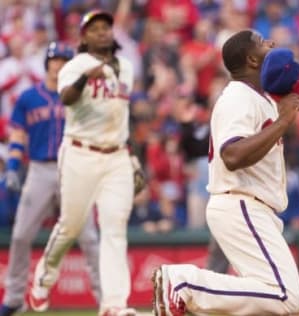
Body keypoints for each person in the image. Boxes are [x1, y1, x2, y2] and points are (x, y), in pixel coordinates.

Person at [151, 32, 299, 316]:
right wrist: (283, 119)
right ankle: (184, 282)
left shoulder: (260, 98)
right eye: (262, 42)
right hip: (241, 204)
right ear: (250, 59)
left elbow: (282, 132)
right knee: (286, 296)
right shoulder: (238, 96)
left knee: (268, 294)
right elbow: (232, 156)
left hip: (253, 206)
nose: (270, 43)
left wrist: (289, 105)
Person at [28, 10, 138, 316]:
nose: (102, 32)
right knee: (71, 226)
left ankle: (113, 304)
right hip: (80, 153)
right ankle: (43, 278)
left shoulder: (126, 67)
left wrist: (132, 154)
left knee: (115, 229)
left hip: (117, 156)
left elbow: (122, 114)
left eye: (106, 27)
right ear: (84, 36)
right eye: (95, 28)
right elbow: (65, 98)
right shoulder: (75, 65)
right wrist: (85, 76)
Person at [0, 42, 101, 316]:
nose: (58, 64)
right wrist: (11, 165)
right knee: (21, 235)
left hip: (74, 170)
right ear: (47, 63)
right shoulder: (28, 97)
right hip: (40, 169)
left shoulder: (81, 98)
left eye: (63, 60)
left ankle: (107, 300)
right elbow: (18, 134)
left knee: (89, 238)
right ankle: (14, 298)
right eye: (54, 59)